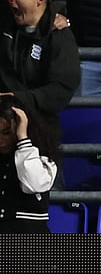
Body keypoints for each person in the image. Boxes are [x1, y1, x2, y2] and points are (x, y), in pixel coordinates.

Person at [0, 0, 79, 134]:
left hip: (39, 127)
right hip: (3, 123)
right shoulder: (4, 20)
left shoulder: (59, 36)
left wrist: (16, 99)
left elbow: (61, 89)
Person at [0, 96, 58, 233]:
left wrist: (23, 140)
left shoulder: (42, 157)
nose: (0, 140)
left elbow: (34, 184)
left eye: (6, 133)